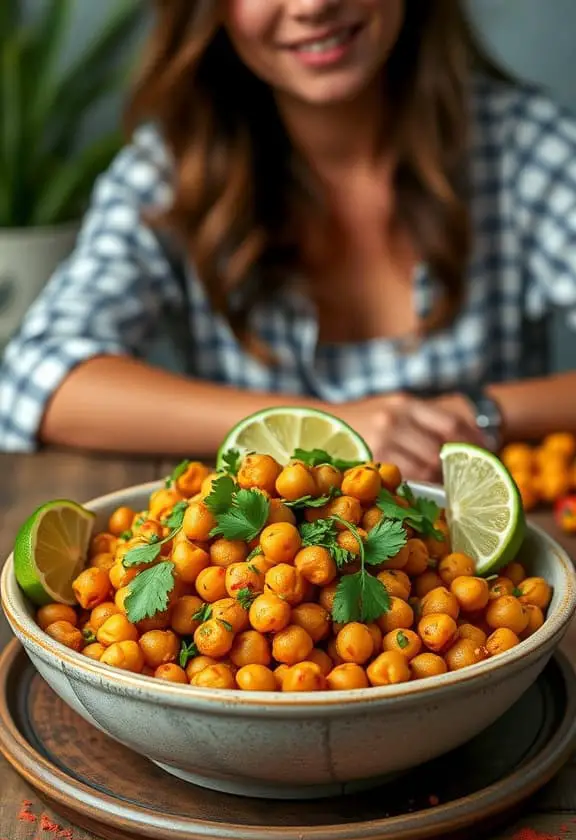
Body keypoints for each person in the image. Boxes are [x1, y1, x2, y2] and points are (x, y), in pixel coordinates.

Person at [2, 0, 576, 482]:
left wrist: (481, 412)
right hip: (264, 587)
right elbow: (37, 378)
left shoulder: (524, 146)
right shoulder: (170, 175)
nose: (313, 6)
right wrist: (327, 425)